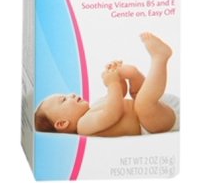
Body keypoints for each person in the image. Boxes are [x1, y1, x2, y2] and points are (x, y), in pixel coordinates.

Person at [35, 33, 179, 136]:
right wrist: (112, 83)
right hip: (150, 125)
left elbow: (119, 95)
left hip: (156, 111)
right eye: (64, 99)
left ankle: (133, 74)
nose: (71, 94)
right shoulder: (83, 126)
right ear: (62, 123)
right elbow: (112, 114)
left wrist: (117, 75)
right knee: (143, 103)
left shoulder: (94, 106)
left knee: (137, 95)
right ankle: (160, 58)